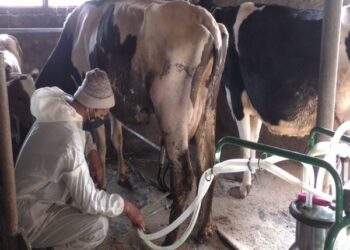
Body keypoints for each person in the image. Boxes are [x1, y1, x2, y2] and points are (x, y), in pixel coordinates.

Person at [15, 68, 145, 249]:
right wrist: (127, 207)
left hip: (25, 198)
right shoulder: (69, 142)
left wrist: (93, 154)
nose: (106, 114)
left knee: (76, 194)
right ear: (89, 107)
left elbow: (80, 131)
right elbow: (89, 200)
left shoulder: (63, 106)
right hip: (29, 218)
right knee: (99, 225)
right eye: (103, 110)